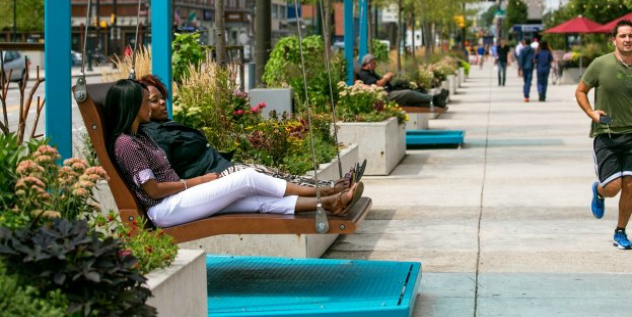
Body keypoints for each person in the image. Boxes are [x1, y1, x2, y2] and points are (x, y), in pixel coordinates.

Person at [105, 79, 363, 228]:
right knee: (247, 178)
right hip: (165, 208)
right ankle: (328, 191)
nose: (151, 107)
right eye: (144, 102)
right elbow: (152, 191)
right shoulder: (126, 144)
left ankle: (330, 204)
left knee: (258, 201)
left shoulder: (141, 135)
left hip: (178, 200)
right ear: (132, 106)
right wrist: (198, 181)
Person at [138, 75, 356, 194]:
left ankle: (330, 186)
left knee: (272, 172)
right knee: (262, 175)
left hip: (219, 167)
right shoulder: (152, 135)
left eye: (161, 98)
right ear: (140, 105)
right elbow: (164, 172)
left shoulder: (164, 125)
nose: (161, 104)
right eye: (153, 101)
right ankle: (329, 191)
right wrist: (198, 182)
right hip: (212, 177)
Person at [574, 19, 632, 250]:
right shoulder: (600, 64)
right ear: (613, 39)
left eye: (631, 36)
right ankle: (599, 190)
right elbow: (581, 91)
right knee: (613, 187)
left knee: (631, 184)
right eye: (622, 36)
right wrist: (591, 113)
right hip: (607, 132)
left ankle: (620, 231)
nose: (627, 39)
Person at [357, 54, 448, 108]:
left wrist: (388, 79)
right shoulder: (364, 74)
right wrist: (386, 78)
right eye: (373, 63)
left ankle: (436, 102)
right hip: (385, 96)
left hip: (389, 92)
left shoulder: (371, 72)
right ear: (367, 64)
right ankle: (434, 99)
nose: (375, 65)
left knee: (411, 92)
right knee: (408, 93)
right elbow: (377, 85)